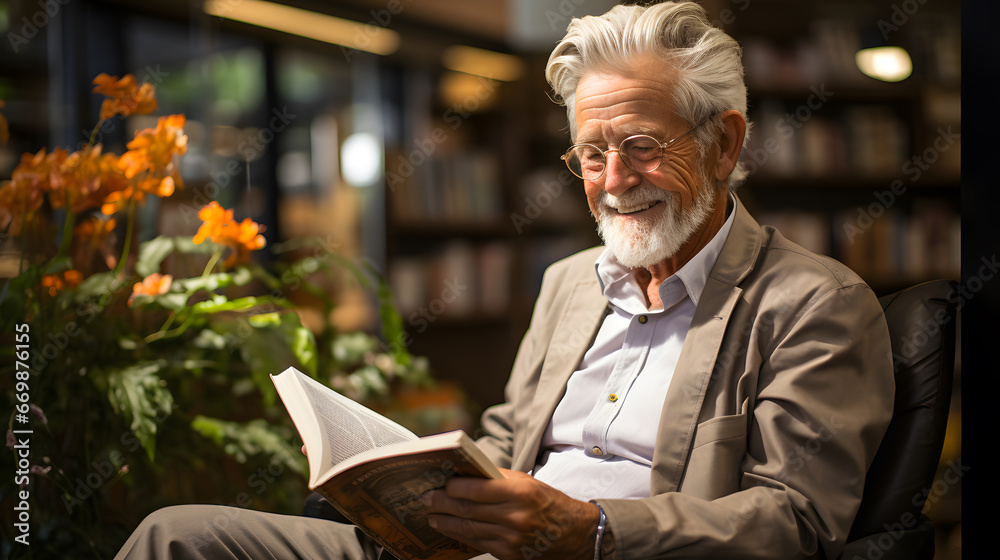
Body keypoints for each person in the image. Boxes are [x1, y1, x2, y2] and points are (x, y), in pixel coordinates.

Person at [115, 2, 894, 559]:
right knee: (177, 535)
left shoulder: (813, 304)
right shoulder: (569, 284)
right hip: (469, 550)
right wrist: (411, 484)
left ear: (724, 143)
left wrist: (587, 531)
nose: (614, 179)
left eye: (642, 145)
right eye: (591, 153)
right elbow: (508, 440)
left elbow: (796, 522)